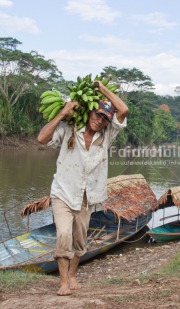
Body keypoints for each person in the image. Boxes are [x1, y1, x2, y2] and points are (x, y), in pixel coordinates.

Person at [37, 80, 128, 296]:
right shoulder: (69, 128)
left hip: (87, 196)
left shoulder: (106, 136)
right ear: (89, 112)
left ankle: (72, 275)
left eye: (105, 118)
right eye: (98, 115)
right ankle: (63, 282)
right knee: (64, 235)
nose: (100, 120)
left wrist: (102, 89)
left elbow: (123, 109)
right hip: (62, 193)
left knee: (79, 241)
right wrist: (62, 112)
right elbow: (41, 138)